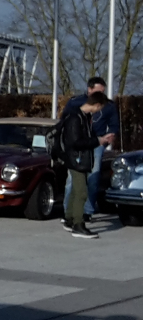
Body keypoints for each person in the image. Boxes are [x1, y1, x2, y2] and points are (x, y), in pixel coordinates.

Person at [63, 77, 120, 218]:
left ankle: (87, 211)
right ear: (89, 89)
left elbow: (114, 126)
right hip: (78, 145)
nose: (101, 95)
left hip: (97, 144)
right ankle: (68, 211)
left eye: (103, 92)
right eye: (98, 91)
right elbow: (64, 121)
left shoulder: (109, 105)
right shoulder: (75, 103)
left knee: (93, 177)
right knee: (72, 179)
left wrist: (106, 140)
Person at [57, 92, 106, 238]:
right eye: (100, 108)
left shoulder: (84, 117)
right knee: (81, 191)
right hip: (75, 159)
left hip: (79, 159)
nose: (99, 111)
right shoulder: (75, 117)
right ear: (96, 105)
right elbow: (75, 142)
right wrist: (98, 141)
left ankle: (70, 218)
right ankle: (78, 224)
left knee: (75, 191)